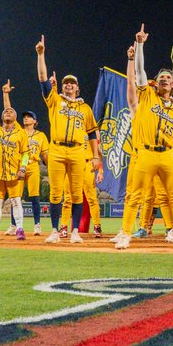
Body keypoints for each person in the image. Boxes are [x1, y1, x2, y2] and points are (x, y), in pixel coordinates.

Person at [115, 25, 173, 250]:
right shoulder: (147, 95)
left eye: (168, 77)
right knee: (134, 196)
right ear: (156, 82)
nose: (164, 79)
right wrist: (140, 44)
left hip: (167, 155)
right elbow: (140, 72)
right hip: (145, 151)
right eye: (161, 76)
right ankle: (125, 233)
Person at [36, 35, 103, 243]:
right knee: (56, 193)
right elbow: (43, 79)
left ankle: (74, 232)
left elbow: (92, 133)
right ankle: (55, 230)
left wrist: (95, 157)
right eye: (66, 83)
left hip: (76, 151)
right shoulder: (55, 101)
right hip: (56, 149)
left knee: (76, 193)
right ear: (62, 87)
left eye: (72, 84)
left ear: (78, 88)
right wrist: (41, 55)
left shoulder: (85, 108)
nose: (68, 86)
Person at [0, 77, 30, 240]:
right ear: (1, 117)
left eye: (11, 111)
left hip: (15, 173)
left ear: (16, 118)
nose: (8, 112)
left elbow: (26, 153)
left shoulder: (20, 133)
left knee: (16, 201)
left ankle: (20, 229)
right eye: (6, 112)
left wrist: (23, 168)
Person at [20, 110, 49, 235]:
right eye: (25, 117)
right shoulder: (18, 133)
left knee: (34, 197)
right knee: (16, 197)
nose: (26, 118)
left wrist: (50, 168)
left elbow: (45, 154)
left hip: (33, 166)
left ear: (35, 121)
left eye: (29, 117)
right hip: (19, 166)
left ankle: (37, 225)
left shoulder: (41, 135)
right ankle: (13, 225)